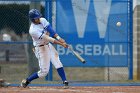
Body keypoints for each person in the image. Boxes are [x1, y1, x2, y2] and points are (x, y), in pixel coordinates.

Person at [21, 9, 69, 88]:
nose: (38, 19)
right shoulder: (33, 30)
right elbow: (48, 38)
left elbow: (51, 31)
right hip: (41, 49)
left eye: (39, 17)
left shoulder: (42, 20)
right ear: (32, 20)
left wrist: (60, 39)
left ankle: (65, 81)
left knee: (57, 62)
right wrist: (61, 44)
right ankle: (27, 80)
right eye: (36, 18)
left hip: (48, 45)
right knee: (44, 72)